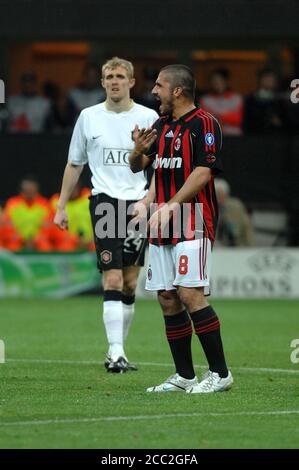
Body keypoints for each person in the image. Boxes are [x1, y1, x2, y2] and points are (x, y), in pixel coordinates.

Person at [129, 64, 233, 393]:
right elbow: (139, 167)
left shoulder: (204, 124)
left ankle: (220, 374)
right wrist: (138, 151)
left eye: (159, 86)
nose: (153, 91)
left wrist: (171, 205)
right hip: (161, 222)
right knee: (167, 297)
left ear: (177, 91)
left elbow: (204, 172)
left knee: (190, 294)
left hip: (193, 220)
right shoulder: (159, 125)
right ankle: (185, 376)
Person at [54, 57, 158, 373]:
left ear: (131, 81)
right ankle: (115, 353)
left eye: (120, 76)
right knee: (111, 275)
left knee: (129, 281)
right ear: (102, 83)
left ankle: (119, 351)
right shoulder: (88, 117)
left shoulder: (149, 116)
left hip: (138, 204)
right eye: (109, 76)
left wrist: (150, 200)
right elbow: (75, 163)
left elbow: (157, 166)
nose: (114, 81)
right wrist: (61, 206)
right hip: (105, 202)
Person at [200, 68, 243, 135]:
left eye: (220, 81)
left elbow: (238, 118)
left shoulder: (236, 98)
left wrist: (219, 117)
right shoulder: (206, 100)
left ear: (226, 81)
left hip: (234, 136)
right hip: (213, 137)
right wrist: (227, 117)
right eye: (214, 81)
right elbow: (205, 120)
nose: (217, 84)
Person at [215, 178, 255, 246]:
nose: (217, 197)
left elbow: (246, 228)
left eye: (220, 194)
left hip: (236, 245)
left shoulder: (235, 206)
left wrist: (250, 246)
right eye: (215, 194)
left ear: (226, 194)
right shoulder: (204, 208)